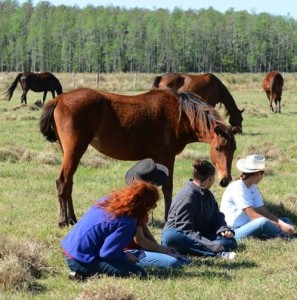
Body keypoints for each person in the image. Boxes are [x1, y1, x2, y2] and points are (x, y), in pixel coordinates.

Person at [61, 180, 160, 280]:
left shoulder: (107, 200)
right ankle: (83, 275)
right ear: (144, 206)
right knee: (139, 273)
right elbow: (107, 253)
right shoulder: (127, 223)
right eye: (151, 206)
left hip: (71, 250)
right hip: (81, 260)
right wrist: (126, 256)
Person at [161, 159, 237, 259]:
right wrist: (211, 245)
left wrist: (223, 229)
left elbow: (217, 215)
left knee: (229, 241)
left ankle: (204, 249)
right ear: (210, 179)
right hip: (183, 236)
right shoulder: (187, 197)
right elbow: (185, 230)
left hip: (201, 234)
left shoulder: (207, 194)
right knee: (171, 238)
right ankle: (217, 253)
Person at [124, 158, 192, 269]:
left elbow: (142, 226)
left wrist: (157, 247)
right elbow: (140, 239)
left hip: (138, 247)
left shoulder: (139, 199)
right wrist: (162, 251)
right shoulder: (135, 204)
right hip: (129, 252)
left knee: (179, 257)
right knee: (173, 263)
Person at [220, 154, 295, 241]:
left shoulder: (252, 187)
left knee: (285, 220)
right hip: (234, 231)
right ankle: (286, 237)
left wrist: (281, 223)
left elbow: (264, 212)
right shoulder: (238, 188)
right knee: (263, 222)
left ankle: (280, 234)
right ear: (258, 174)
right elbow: (253, 216)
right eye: (263, 173)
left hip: (249, 225)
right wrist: (279, 225)